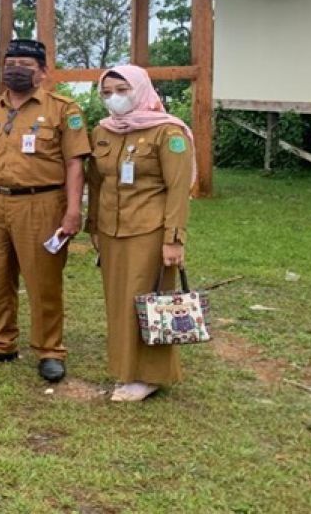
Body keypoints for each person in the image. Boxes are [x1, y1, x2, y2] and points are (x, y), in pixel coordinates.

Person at [0, 38, 90, 383]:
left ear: (43, 73)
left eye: (25, 66)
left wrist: (73, 211)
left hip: (42, 203)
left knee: (43, 279)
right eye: (10, 64)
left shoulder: (64, 110)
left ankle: (50, 351)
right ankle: (0, 344)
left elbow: (75, 164)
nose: (15, 70)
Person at [86, 65, 194, 402]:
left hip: (149, 229)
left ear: (140, 88)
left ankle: (150, 374)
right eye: (106, 92)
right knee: (119, 302)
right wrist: (93, 226)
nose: (114, 98)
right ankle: (126, 369)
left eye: (121, 90)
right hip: (111, 229)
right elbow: (96, 181)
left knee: (149, 300)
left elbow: (178, 189)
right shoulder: (103, 131)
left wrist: (173, 239)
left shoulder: (168, 132)